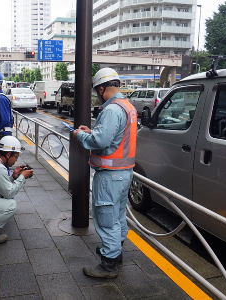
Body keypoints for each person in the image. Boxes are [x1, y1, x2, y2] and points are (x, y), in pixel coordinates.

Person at [72, 68, 137, 279]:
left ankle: (108, 265)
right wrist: (93, 131)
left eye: (96, 91)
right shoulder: (127, 107)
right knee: (118, 215)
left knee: (106, 218)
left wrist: (81, 136)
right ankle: (116, 253)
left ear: (101, 89)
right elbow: (115, 137)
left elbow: (100, 142)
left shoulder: (111, 110)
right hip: (125, 173)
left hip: (109, 175)